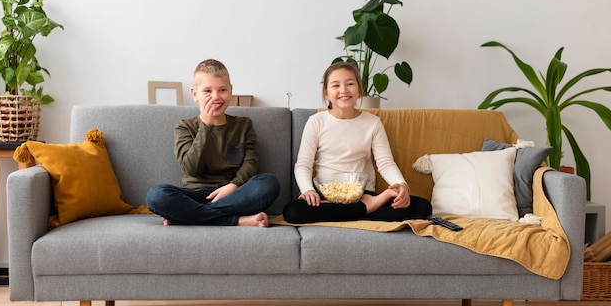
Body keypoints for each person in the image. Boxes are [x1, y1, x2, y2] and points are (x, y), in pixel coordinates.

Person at [283, 61, 432, 224]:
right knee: (293, 212)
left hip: (362, 194)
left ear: (359, 90)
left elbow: (385, 163)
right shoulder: (316, 121)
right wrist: (308, 190)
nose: (344, 90)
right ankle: (369, 208)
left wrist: (401, 185)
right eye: (336, 85)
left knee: (423, 207)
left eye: (350, 83)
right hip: (325, 194)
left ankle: (353, 209)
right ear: (326, 93)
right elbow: (303, 164)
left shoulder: (373, 123)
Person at [146, 59, 280, 227]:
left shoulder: (243, 125)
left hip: (233, 194)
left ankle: (188, 215)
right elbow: (191, 168)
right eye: (207, 91)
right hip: (193, 194)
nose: (216, 97)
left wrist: (233, 186)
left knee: (269, 183)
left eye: (222, 90)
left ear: (231, 91)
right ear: (195, 94)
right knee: (156, 195)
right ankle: (236, 220)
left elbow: (250, 164)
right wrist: (206, 126)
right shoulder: (184, 126)